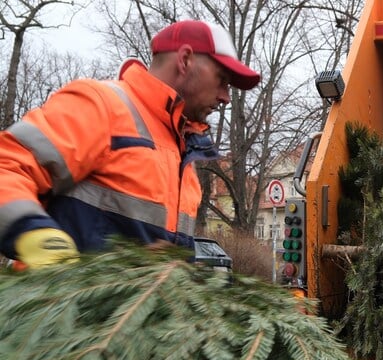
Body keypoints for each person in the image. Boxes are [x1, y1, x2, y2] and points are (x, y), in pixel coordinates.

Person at [0, 20, 260, 268]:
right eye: (221, 79)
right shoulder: (101, 106)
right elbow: (7, 165)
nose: (226, 97)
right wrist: (29, 230)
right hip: (59, 308)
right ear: (185, 60)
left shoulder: (184, 157)